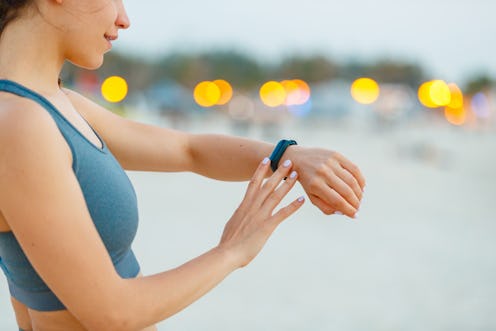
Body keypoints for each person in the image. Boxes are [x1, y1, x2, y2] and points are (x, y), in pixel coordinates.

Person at [0, 1, 366, 330]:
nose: (124, 18)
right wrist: (232, 250)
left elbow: (188, 150)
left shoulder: (54, 103)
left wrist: (287, 155)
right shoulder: (18, 123)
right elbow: (111, 311)